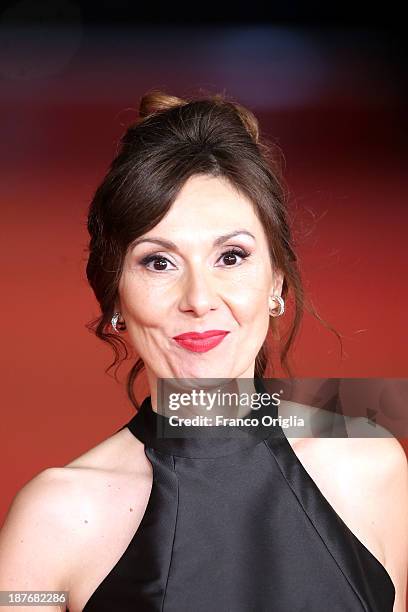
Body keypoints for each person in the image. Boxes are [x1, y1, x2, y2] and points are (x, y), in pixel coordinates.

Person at [0, 90, 407, 612]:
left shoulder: (370, 462)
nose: (198, 300)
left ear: (276, 281)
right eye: (158, 263)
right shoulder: (53, 517)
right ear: (115, 295)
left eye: (231, 256)